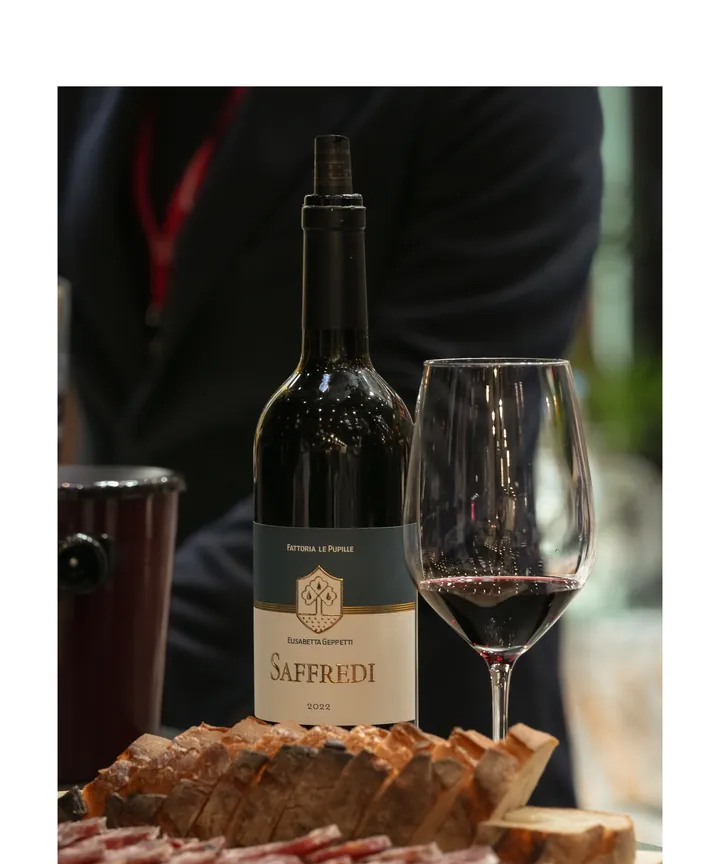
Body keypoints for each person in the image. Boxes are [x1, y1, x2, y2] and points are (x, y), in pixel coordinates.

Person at [58, 87, 603, 807]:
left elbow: (437, 444)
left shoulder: (508, 77)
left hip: (430, 760)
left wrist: (111, 644)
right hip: (134, 759)